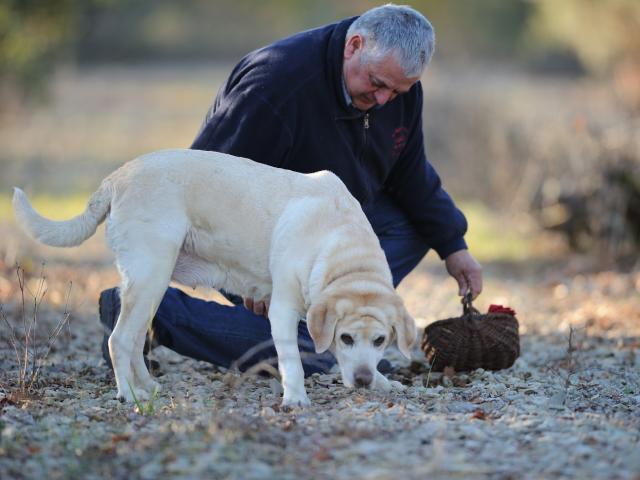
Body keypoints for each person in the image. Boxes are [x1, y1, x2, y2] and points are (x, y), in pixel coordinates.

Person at [99, 4, 483, 376]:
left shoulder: (398, 91)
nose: (384, 100)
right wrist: (258, 265)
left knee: (416, 226)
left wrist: (453, 246)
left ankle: (344, 314)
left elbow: (410, 173)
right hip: (255, 241)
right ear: (355, 47)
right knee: (318, 355)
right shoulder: (276, 83)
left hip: (326, 238)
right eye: (378, 84)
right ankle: (154, 314)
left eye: (397, 92)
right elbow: (205, 177)